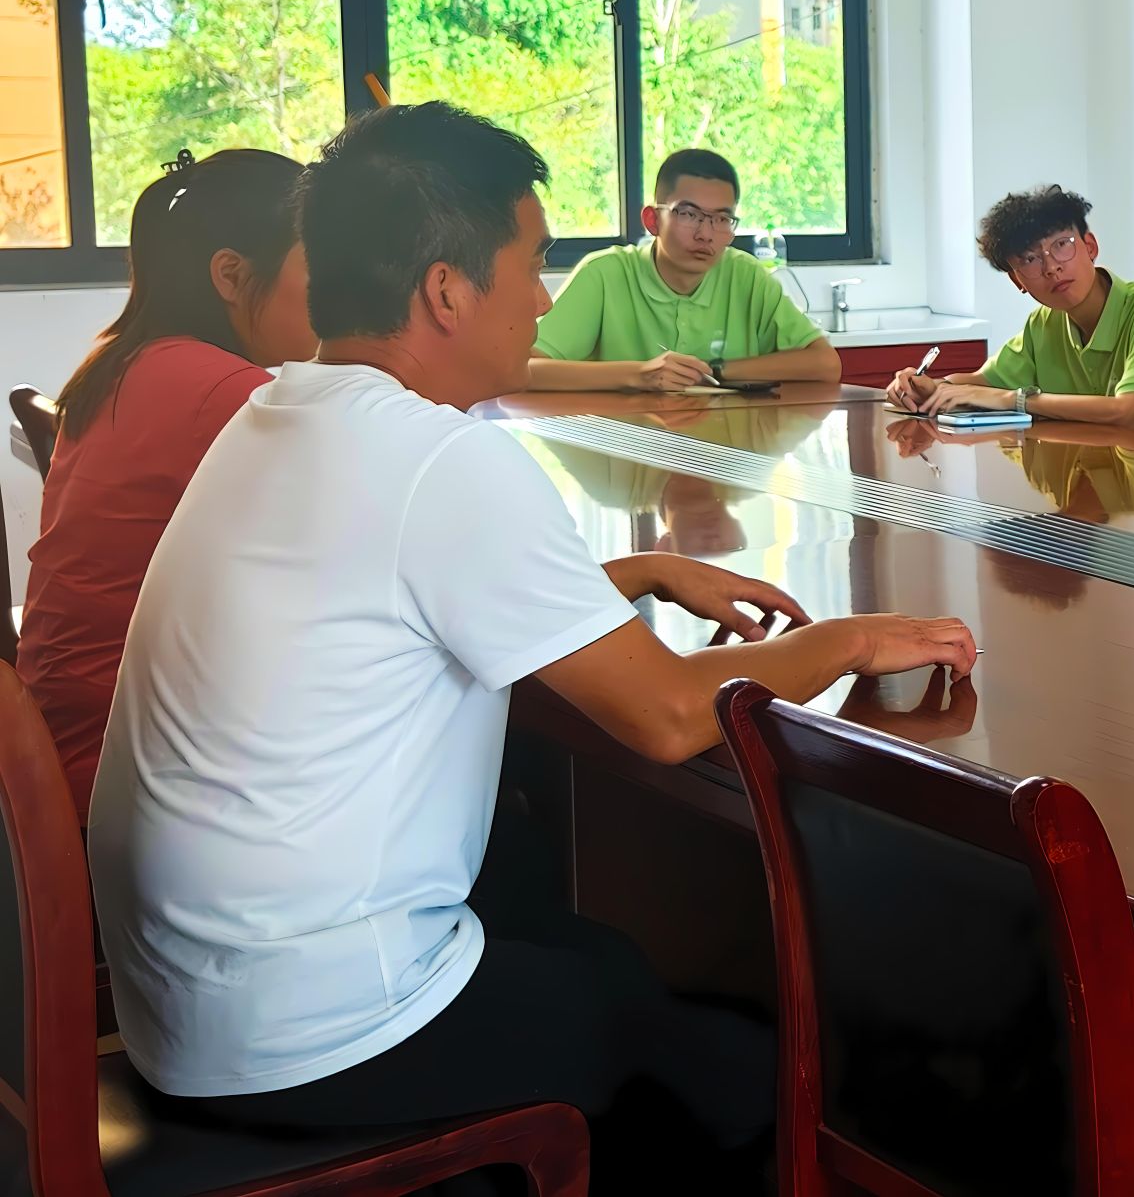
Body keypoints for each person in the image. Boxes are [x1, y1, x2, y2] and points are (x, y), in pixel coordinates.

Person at [88, 104, 974, 1185]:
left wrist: (625, 576)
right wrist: (846, 640)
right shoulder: (440, 458)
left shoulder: (282, 414)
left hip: (194, 993)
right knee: (713, 1064)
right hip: (310, 1027)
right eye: (532, 264)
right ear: (446, 290)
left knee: (600, 954)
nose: (544, 300)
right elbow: (667, 715)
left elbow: (391, 596)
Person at [19, 148, 315, 822]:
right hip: (135, 787)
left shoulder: (128, 363)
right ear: (232, 275)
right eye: (321, 268)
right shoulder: (226, 394)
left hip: (65, 757)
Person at [886, 185, 1134, 431]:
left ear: (1090, 246)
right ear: (1017, 281)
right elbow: (982, 383)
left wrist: (1013, 400)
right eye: (1030, 259)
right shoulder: (1043, 324)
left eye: (1061, 245)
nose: (1052, 267)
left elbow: (1125, 412)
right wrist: (929, 387)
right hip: (1095, 479)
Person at [528, 147, 839, 390]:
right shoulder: (605, 273)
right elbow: (526, 368)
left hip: (724, 443)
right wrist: (639, 375)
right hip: (628, 442)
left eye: (721, 219)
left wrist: (714, 370)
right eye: (689, 214)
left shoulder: (746, 276)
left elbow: (825, 364)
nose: (705, 234)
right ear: (652, 220)